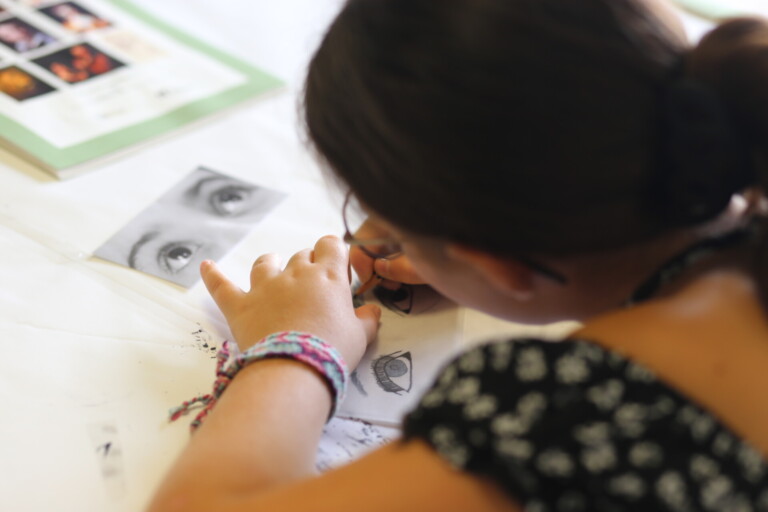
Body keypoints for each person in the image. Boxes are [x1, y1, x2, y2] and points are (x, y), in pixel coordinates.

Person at [147, 0, 768, 510]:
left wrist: (298, 345)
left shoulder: (563, 415)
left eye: (397, 231)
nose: (372, 237)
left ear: (501, 265)